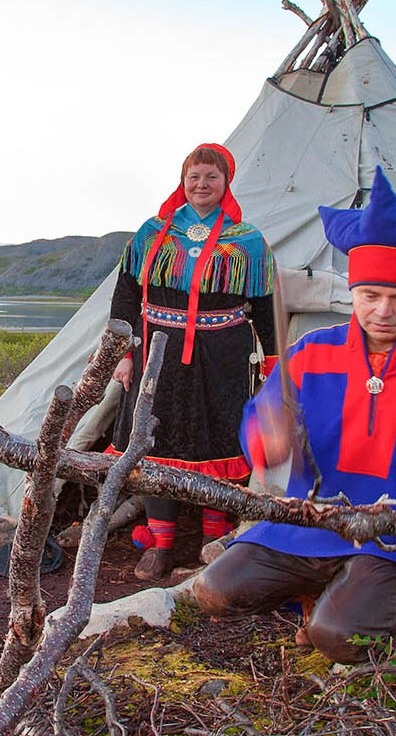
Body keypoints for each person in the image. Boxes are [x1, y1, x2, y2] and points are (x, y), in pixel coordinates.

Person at [193, 166, 396, 663]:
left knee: (338, 638)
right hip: (311, 526)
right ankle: (321, 592)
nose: (383, 311)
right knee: (214, 590)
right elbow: (261, 418)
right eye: (370, 296)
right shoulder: (309, 355)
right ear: (353, 293)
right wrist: (266, 436)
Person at [108, 143, 277, 580]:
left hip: (223, 357)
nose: (202, 185)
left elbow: (264, 306)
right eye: (194, 177)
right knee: (155, 440)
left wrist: (274, 364)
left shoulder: (249, 241)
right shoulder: (152, 232)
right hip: (157, 352)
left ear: (226, 183)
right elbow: (127, 296)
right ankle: (161, 543)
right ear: (183, 182)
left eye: (211, 177)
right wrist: (123, 354)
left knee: (217, 442)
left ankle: (212, 541)